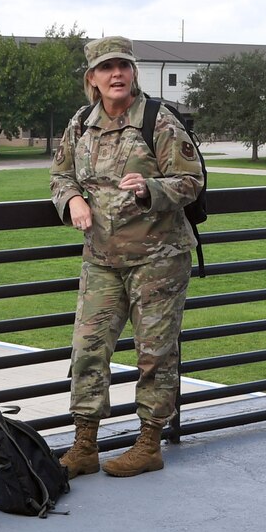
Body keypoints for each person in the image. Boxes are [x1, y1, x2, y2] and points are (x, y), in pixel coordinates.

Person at [48, 36, 204, 478]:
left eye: (123, 66)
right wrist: (72, 200)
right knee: (87, 349)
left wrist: (151, 189)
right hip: (101, 258)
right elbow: (60, 174)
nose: (116, 74)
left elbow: (191, 182)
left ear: (133, 72)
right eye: (106, 67)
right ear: (92, 78)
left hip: (158, 259)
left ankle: (149, 442)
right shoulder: (80, 123)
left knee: (154, 353)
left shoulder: (159, 121)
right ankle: (83, 444)